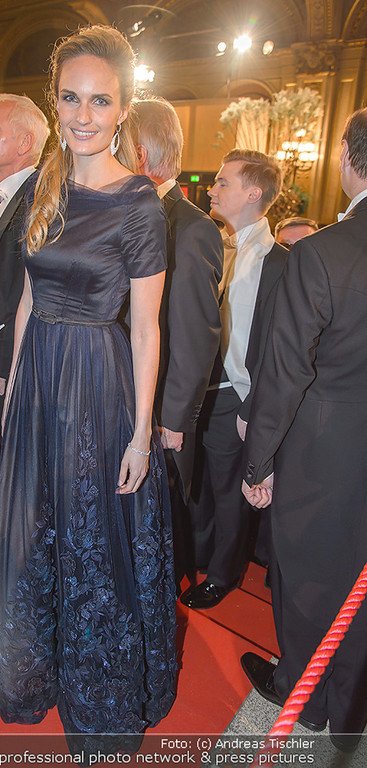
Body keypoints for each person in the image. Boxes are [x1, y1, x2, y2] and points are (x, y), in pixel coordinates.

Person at [0, 25, 176, 746]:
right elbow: (29, 298)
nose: (83, 115)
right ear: (54, 100)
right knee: (38, 532)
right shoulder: (45, 185)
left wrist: (141, 432)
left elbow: (147, 329)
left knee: (93, 539)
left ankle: (99, 694)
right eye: (71, 98)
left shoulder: (139, 202)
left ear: (122, 109)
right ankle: (38, 674)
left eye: (100, 101)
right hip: (39, 380)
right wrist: (14, 390)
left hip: (98, 386)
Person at [241, 108, 367, 751]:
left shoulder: (321, 252)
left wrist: (257, 461)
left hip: (325, 450)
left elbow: (283, 371)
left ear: (348, 156)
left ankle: (307, 697)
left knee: (310, 580)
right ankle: (349, 710)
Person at [180, 149, 286, 610]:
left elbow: (278, 347)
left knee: (227, 492)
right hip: (196, 389)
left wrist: (253, 405)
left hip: (236, 394)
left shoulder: (279, 263)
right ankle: (199, 556)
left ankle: (223, 574)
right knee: (196, 484)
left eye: (223, 182)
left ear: (253, 193)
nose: (212, 189)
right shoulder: (209, 244)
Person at [134, 97, 223, 586]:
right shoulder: (133, 212)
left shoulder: (191, 227)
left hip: (162, 411)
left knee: (164, 520)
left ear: (140, 154)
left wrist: (173, 419)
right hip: (128, 398)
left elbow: (196, 335)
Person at [0, 94, 50, 440]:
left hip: (12, 362)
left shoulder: (37, 199)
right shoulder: (10, 196)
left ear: (24, 143)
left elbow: (27, 287)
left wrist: (3, 357)